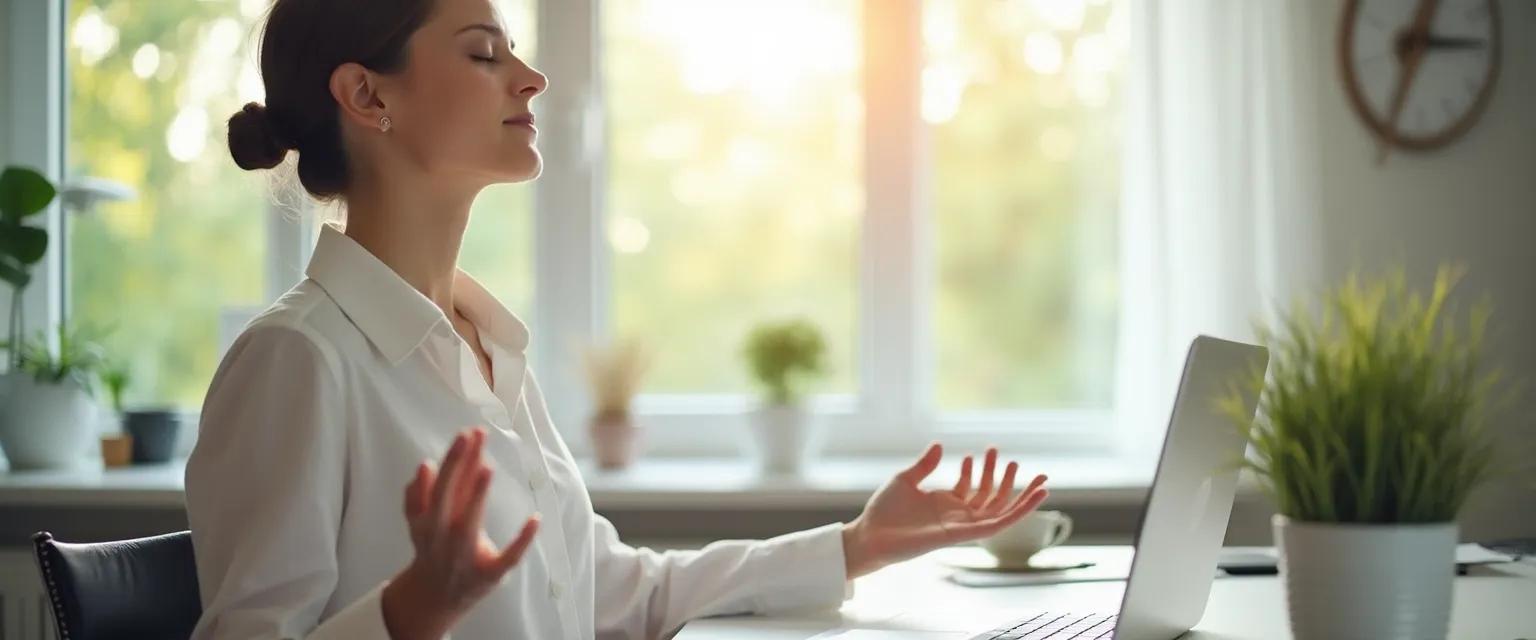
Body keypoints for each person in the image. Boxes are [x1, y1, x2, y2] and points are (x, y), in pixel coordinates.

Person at [187, 0, 1051, 637]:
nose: (533, 78)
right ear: (368, 97)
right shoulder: (297, 360)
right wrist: (410, 612)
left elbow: (612, 593)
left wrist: (857, 545)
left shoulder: (486, 349)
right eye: (485, 53)